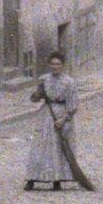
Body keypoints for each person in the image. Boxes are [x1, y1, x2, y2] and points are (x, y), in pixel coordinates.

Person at [25, 51, 82, 192]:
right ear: (49, 65)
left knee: (58, 148)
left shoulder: (69, 82)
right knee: (40, 147)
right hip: (46, 116)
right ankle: (32, 179)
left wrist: (64, 119)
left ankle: (57, 180)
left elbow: (73, 104)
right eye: (52, 64)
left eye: (58, 64)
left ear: (62, 65)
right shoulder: (44, 79)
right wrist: (38, 93)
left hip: (62, 114)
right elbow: (34, 98)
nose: (55, 66)